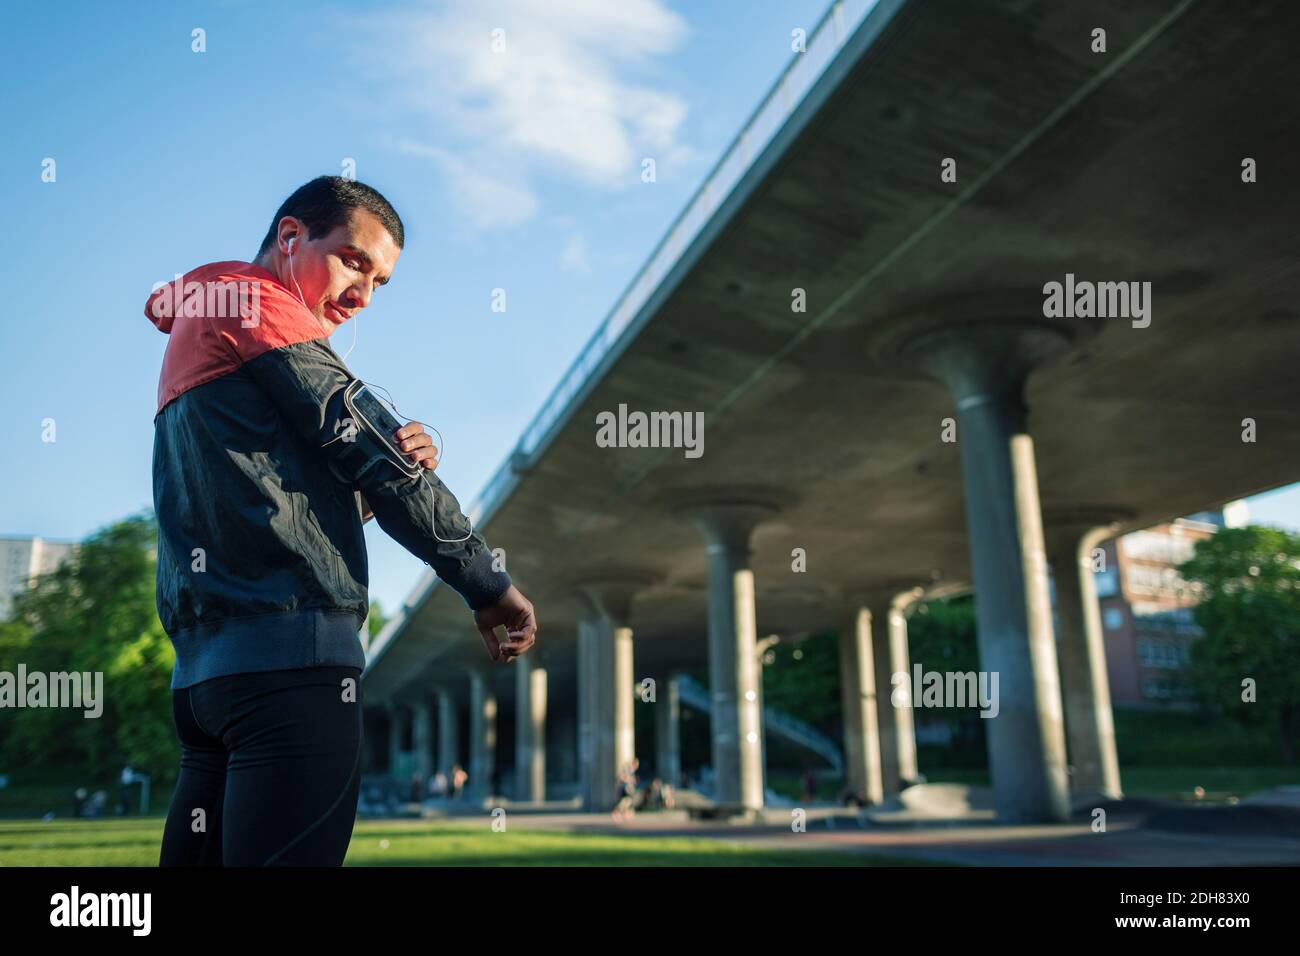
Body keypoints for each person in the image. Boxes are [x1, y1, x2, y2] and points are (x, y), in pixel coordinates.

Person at [153, 177, 537, 866]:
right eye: (354, 262)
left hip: (205, 683)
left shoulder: (205, 321)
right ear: (292, 237)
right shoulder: (258, 305)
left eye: (381, 282)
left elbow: (276, 499)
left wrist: (374, 465)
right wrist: (486, 581)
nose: (364, 295)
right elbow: (380, 469)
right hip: (292, 671)